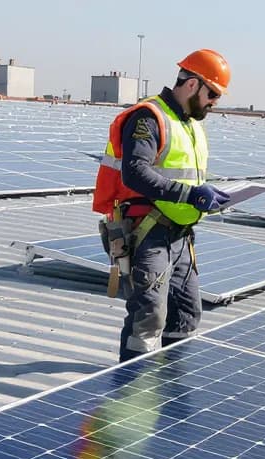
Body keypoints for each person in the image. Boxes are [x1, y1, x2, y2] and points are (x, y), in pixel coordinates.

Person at [92, 48, 233, 363]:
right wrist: (191, 196)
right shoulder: (149, 117)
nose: (214, 102)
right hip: (148, 231)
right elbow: (136, 172)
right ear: (193, 84)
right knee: (149, 315)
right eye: (213, 93)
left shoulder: (191, 124)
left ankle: (168, 384)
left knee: (186, 312)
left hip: (181, 235)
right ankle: (131, 393)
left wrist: (207, 197)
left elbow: (185, 174)